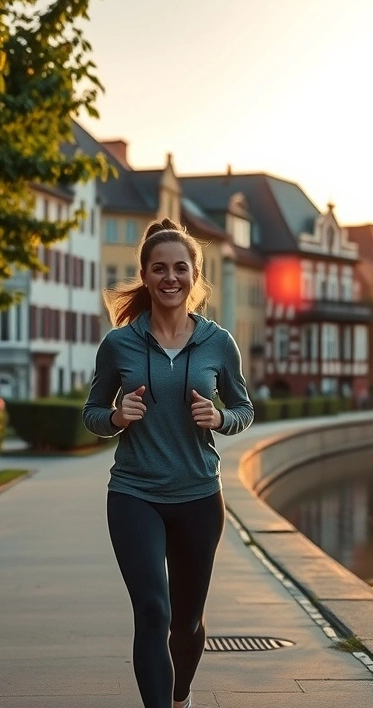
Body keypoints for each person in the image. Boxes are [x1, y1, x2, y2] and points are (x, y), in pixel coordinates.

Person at [83, 219, 254, 708]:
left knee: (187, 621)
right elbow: (92, 413)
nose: (170, 277)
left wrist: (221, 418)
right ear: (145, 274)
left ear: (195, 276)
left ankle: (180, 696)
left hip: (200, 496)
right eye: (159, 268)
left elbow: (244, 409)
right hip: (135, 495)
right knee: (153, 613)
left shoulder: (218, 343)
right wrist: (115, 416)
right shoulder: (120, 344)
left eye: (181, 267)